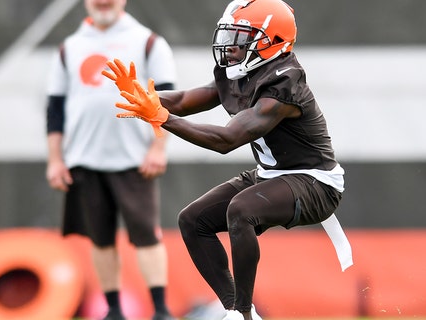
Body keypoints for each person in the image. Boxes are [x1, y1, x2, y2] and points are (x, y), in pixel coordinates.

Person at [103, 0, 346, 319]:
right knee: (193, 220)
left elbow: (226, 140)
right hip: (273, 175)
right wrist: (144, 96)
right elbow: (187, 100)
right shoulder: (241, 69)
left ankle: (242, 313)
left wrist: (162, 118)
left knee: (241, 210)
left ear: (272, 41)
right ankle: (237, 309)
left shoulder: (285, 81)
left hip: (316, 183)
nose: (231, 45)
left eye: (242, 37)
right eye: (230, 34)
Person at [44, 0, 177, 319]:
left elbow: (168, 99)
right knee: (100, 240)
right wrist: (55, 159)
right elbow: (55, 109)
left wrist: (158, 149)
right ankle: (113, 310)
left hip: (134, 159)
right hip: (83, 161)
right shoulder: (69, 48)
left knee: (147, 236)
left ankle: (161, 310)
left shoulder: (148, 42)